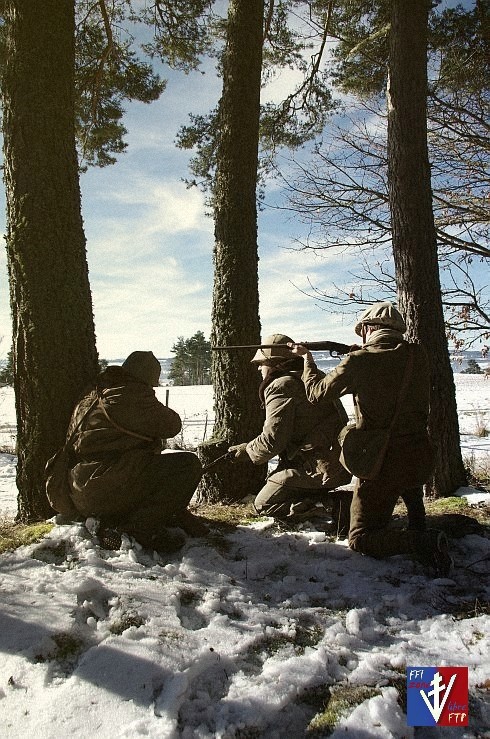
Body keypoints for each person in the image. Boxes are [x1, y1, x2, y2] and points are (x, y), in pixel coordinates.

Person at [290, 302, 453, 577]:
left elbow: (317, 393)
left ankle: (421, 541)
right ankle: (421, 531)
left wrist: (307, 361)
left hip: (380, 459)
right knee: (410, 489)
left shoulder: (359, 361)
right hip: (417, 453)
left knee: (361, 538)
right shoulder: (417, 355)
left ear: (367, 329)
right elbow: (389, 368)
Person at [67, 350, 207, 551]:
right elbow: (172, 425)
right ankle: (141, 529)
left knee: (139, 469)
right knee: (187, 465)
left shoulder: (94, 392)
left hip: (80, 486)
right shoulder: (129, 394)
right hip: (106, 485)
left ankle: (112, 524)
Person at [228, 334, 353, 529]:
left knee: (264, 504)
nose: (259, 369)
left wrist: (247, 451)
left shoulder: (281, 385)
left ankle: (334, 506)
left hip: (316, 468)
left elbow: (273, 440)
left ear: (274, 362)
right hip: (334, 462)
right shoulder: (313, 376)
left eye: (261, 363)